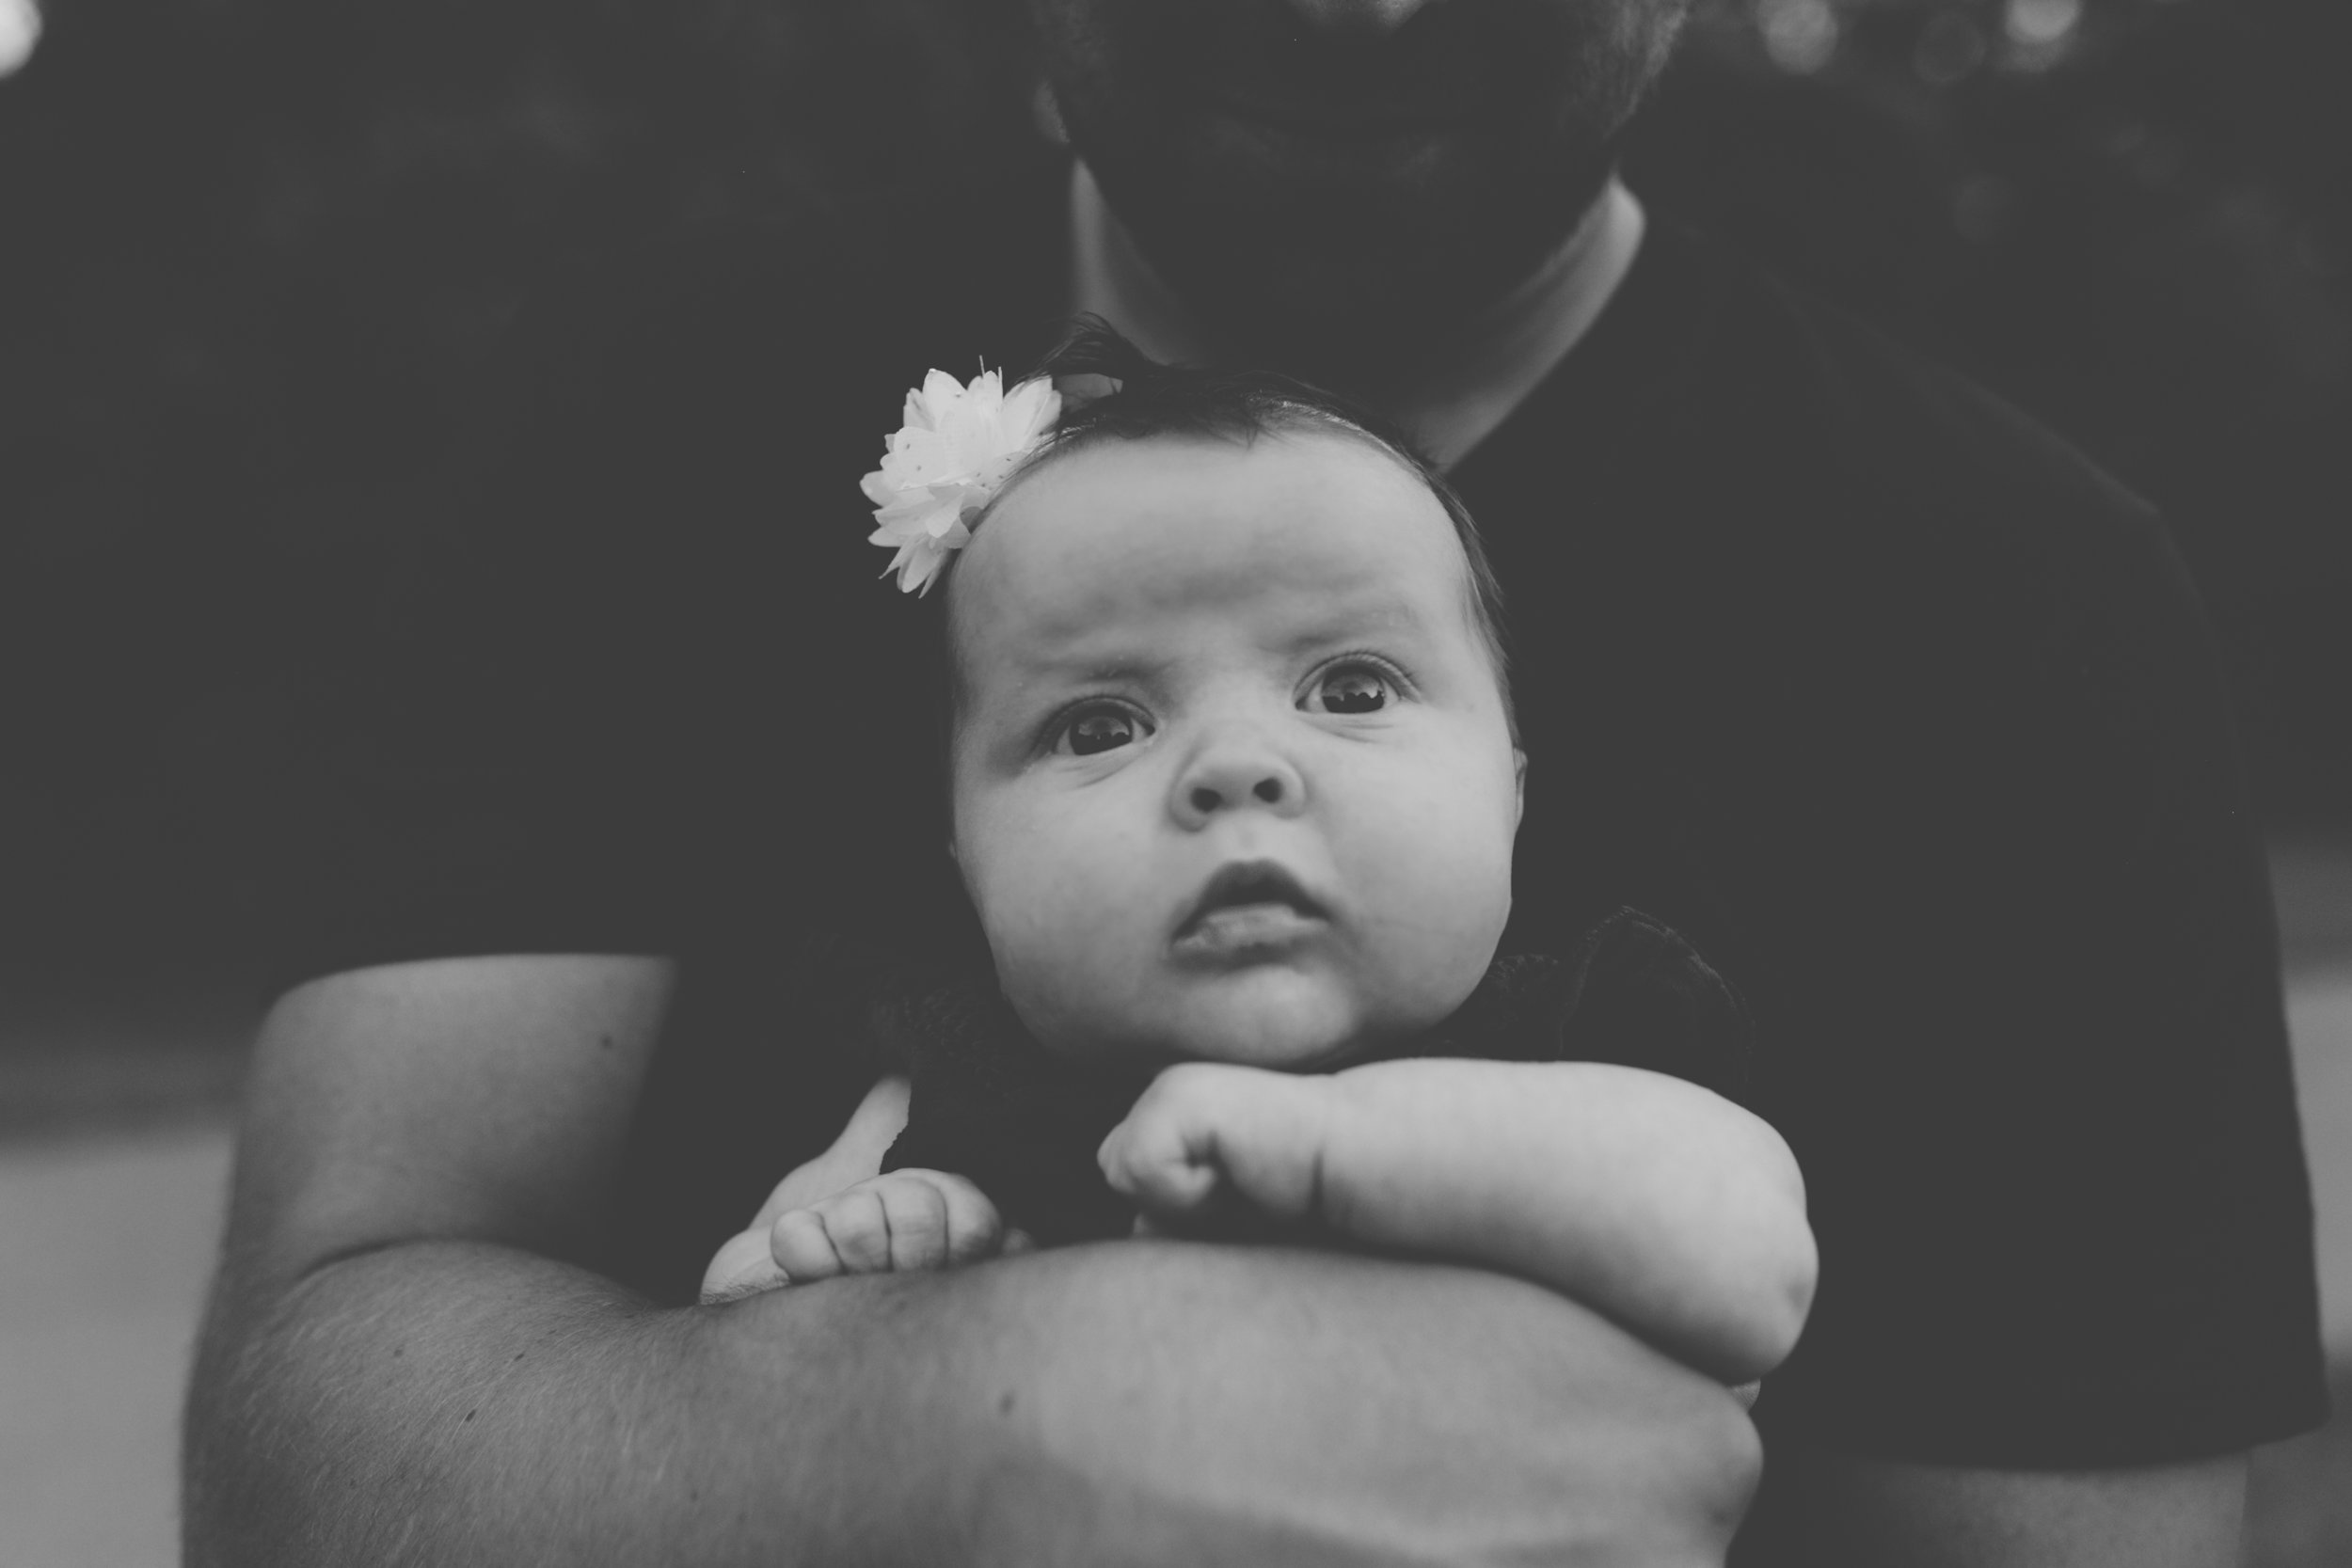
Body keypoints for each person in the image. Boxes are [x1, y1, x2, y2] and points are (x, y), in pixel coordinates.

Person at [183, 0, 2325, 1563]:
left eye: (1359, 693)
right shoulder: (644, 437)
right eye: (1094, 726)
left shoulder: (2023, 607)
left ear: (1521, 761)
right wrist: (949, 1428)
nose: (1363, 4)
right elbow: (298, 1457)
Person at [693, 336, 1815, 1402]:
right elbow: (738, 1333)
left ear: (1513, 791)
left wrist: (1329, 1150)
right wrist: (877, 1250)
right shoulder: (951, 1082)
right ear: (961, 856)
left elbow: (1752, 1264)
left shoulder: (1582, 1044)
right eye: (1098, 727)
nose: (1233, 768)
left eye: (1351, 691)